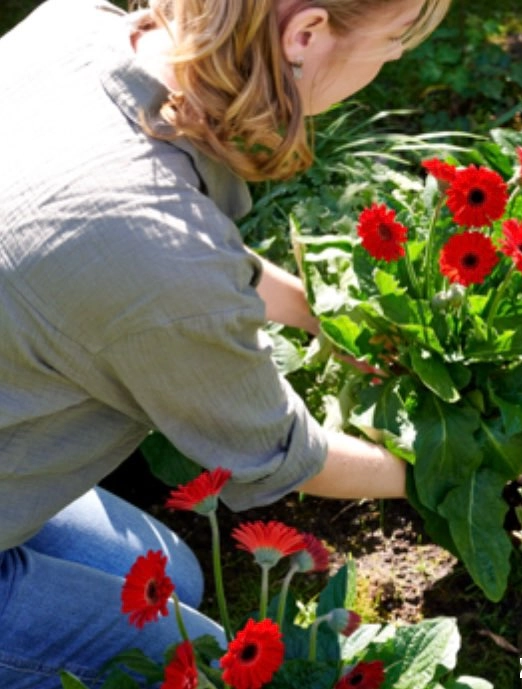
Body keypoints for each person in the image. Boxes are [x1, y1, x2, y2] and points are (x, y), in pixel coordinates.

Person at [0, 0, 448, 685]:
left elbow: (167, 256)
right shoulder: (153, 248)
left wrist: (324, 319)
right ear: (306, 34)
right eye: (396, 36)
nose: (396, 56)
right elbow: (279, 452)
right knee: (199, 662)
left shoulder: (73, 27)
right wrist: (446, 471)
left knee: (170, 579)